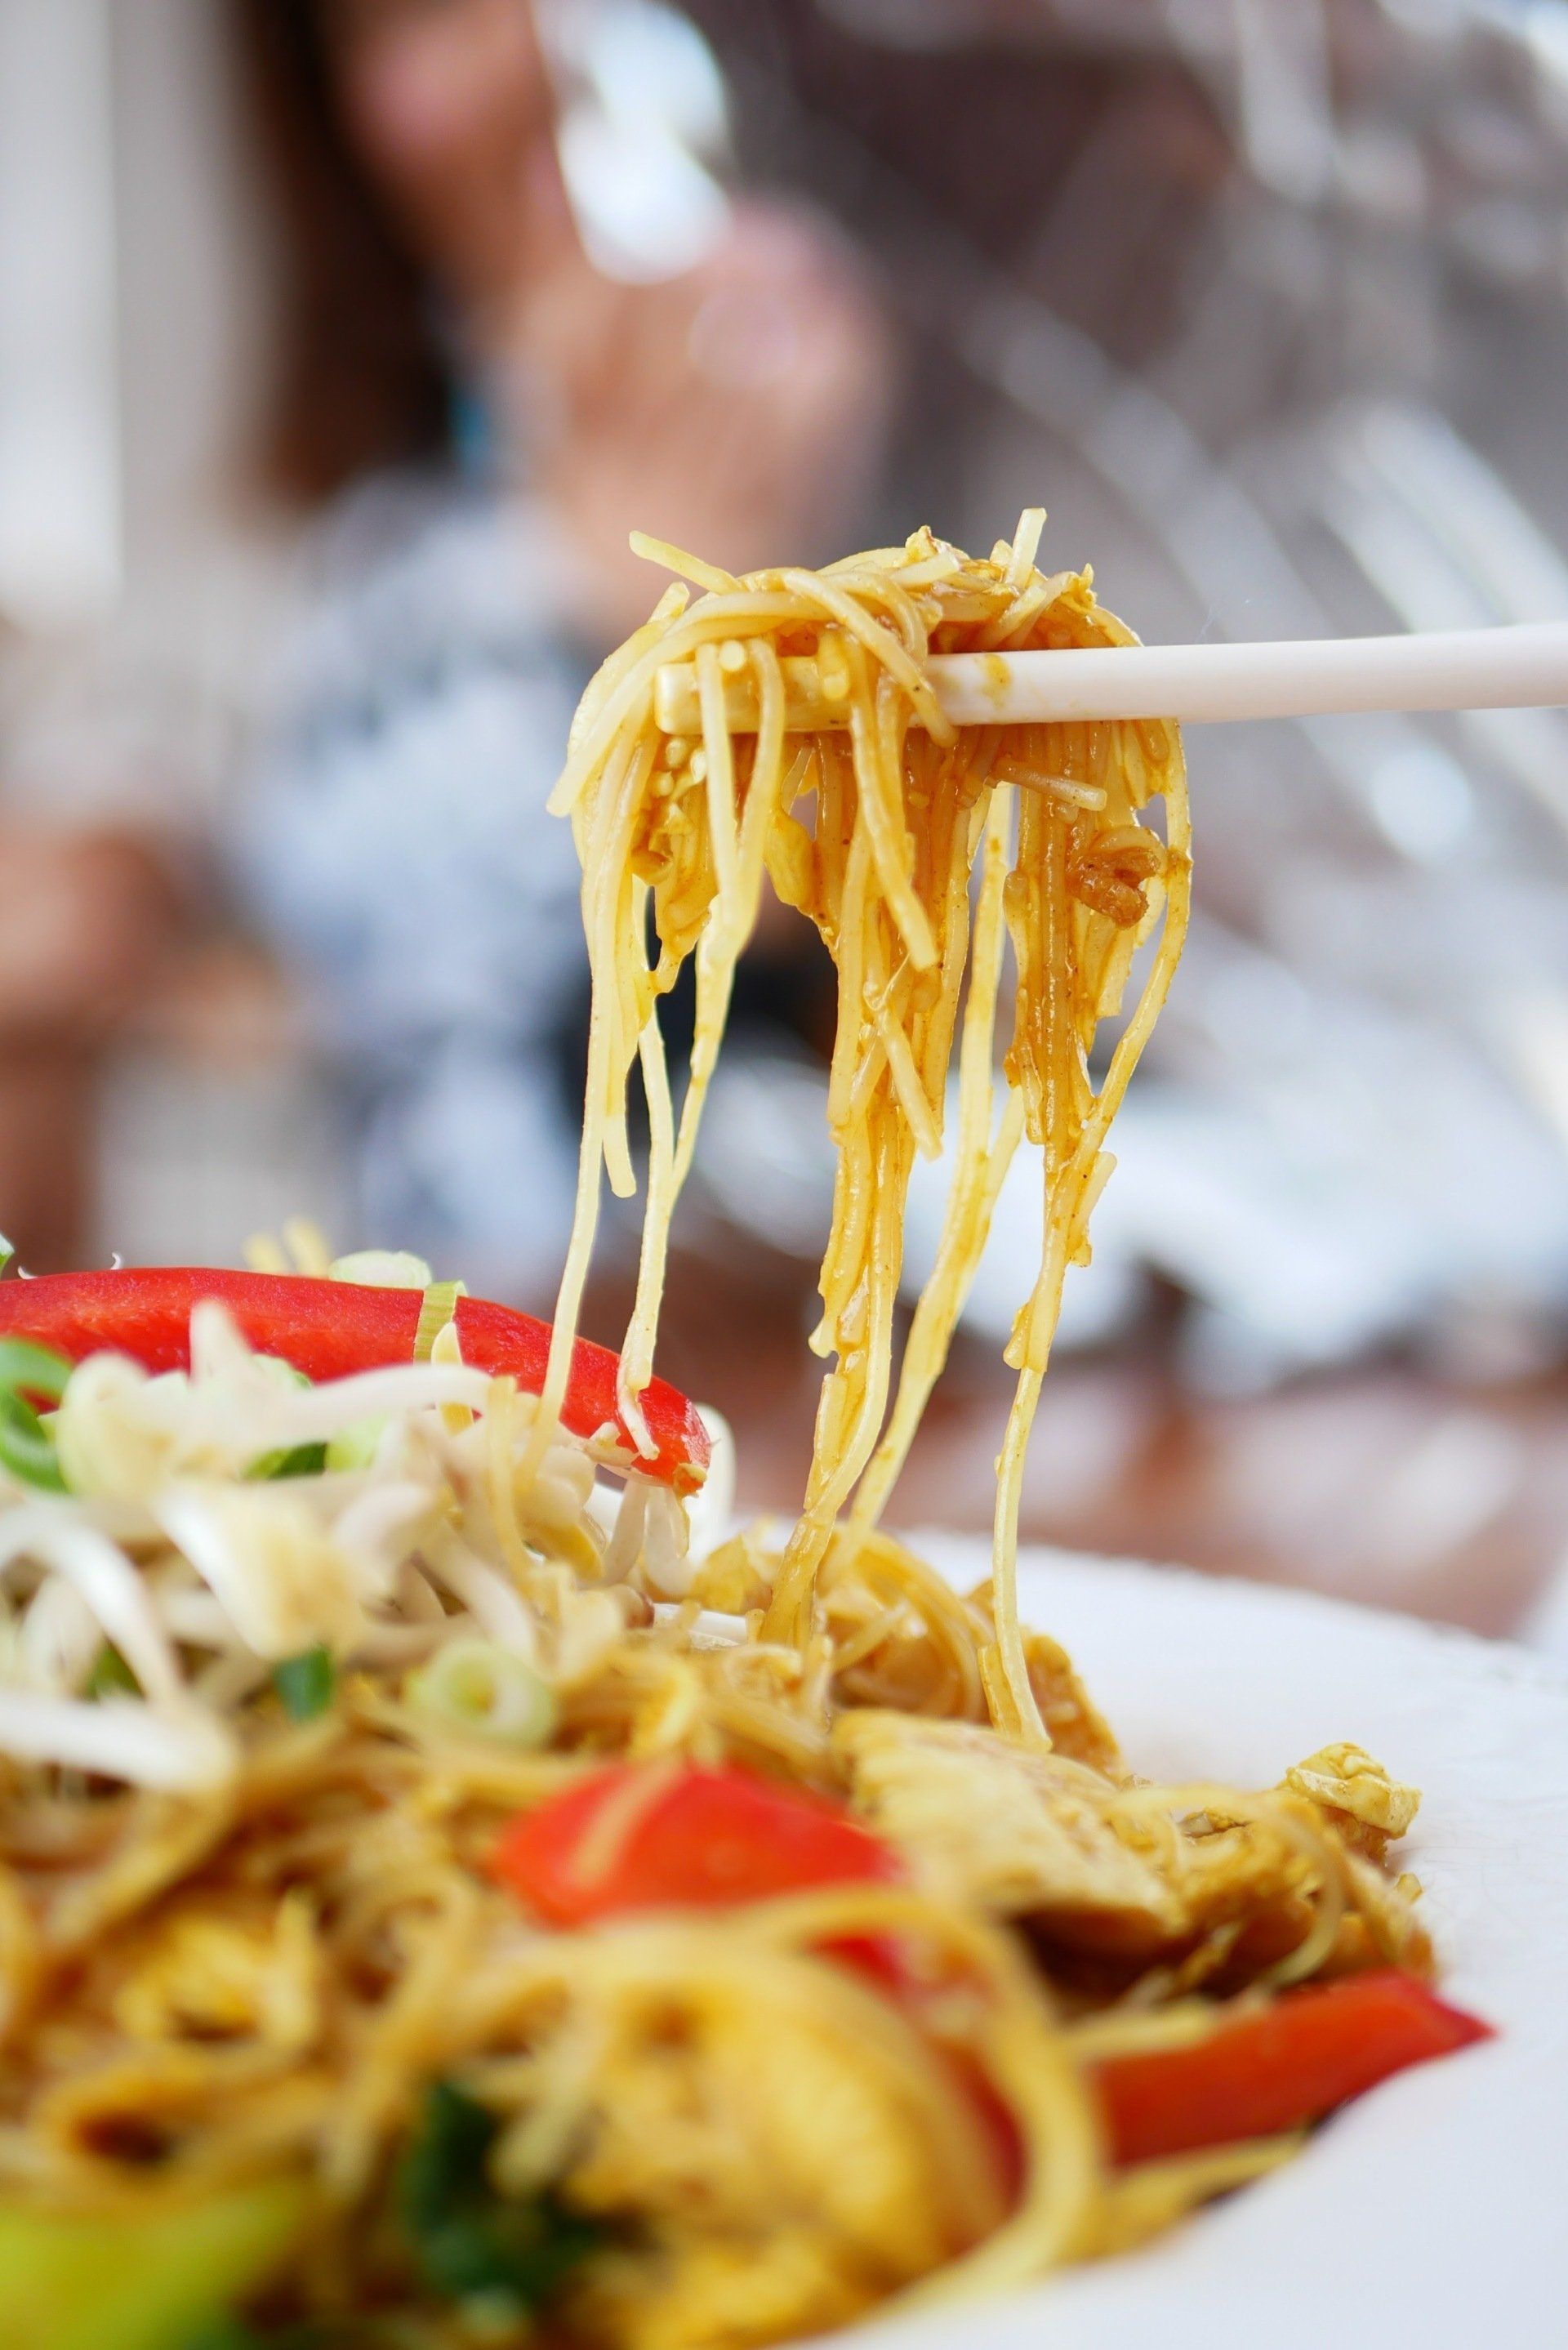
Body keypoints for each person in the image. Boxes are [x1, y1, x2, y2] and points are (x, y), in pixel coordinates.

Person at [230, 0, 892, 1300]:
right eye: (413, 15)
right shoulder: (366, 577)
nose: (537, 56)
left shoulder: (914, 466)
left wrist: (746, 643)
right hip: (447, 1404)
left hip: (827, 1385)